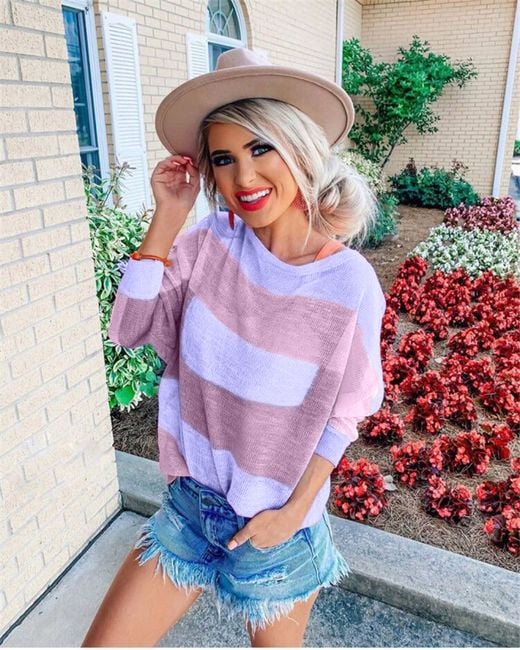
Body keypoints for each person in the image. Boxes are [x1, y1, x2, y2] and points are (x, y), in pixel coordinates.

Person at [82, 48, 386, 648]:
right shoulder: (207, 243)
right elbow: (130, 328)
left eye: (260, 148)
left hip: (276, 526)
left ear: (298, 149)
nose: (244, 178)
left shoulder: (347, 282)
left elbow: (346, 411)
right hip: (190, 508)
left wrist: (292, 513)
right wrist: (168, 218)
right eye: (224, 159)